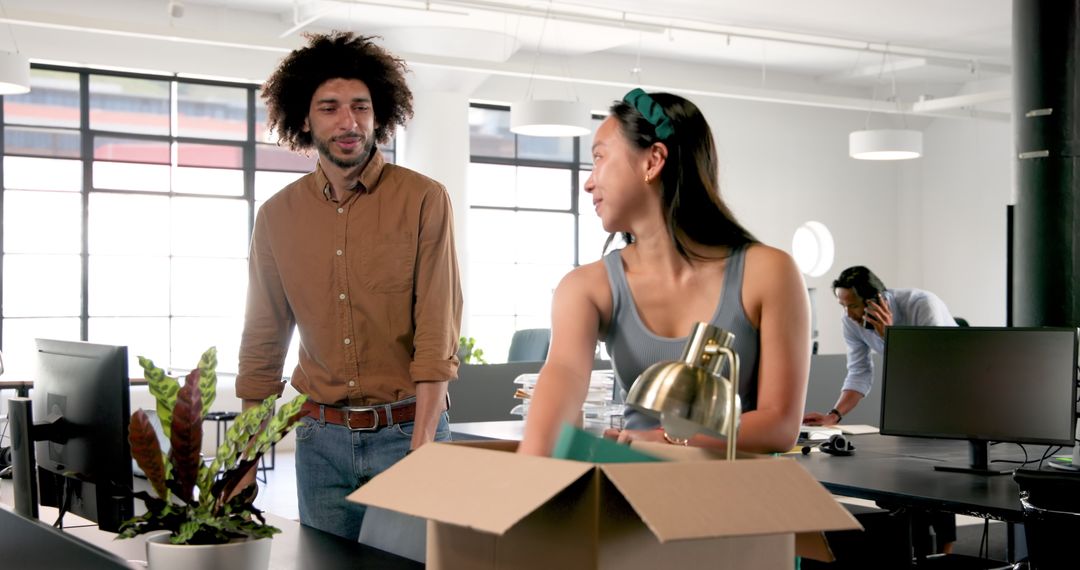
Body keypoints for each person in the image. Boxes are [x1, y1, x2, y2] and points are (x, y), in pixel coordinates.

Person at [236, 32, 462, 540]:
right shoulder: (277, 217)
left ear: (379, 114)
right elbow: (262, 344)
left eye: (361, 106)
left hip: (408, 431)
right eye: (330, 107)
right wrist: (245, 459)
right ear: (304, 120)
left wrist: (424, 444)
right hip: (319, 440)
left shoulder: (425, 200)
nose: (348, 121)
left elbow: (436, 331)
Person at [518, 88, 810, 456]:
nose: (588, 182)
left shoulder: (769, 272)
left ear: (653, 161)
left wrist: (668, 440)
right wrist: (526, 480)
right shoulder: (586, 288)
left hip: (737, 496)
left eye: (599, 158)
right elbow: (561, 380)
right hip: (633, 490)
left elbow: (780, 424)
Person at [802, 266, 956, 427]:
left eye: (853, 306)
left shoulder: (922, 305)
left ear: (875, 301)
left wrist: (892, 337)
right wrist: (833, 416)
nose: (848, 314)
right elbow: (859, 373)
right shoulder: (850, 321)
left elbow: (933, 366)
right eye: (843, 306)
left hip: (952, 382)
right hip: (917, 391)